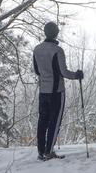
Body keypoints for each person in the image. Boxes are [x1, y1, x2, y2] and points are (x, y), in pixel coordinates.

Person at [33, 22, 83, 161]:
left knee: (42, 121)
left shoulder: (37, 49)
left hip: (43, 91)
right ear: (56, 33)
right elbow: (64, 72)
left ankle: (41, 151)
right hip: (56, 92)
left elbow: (37, 71)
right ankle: (49, 152)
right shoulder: (57, 50)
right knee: (54, 122)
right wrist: (77, 75)